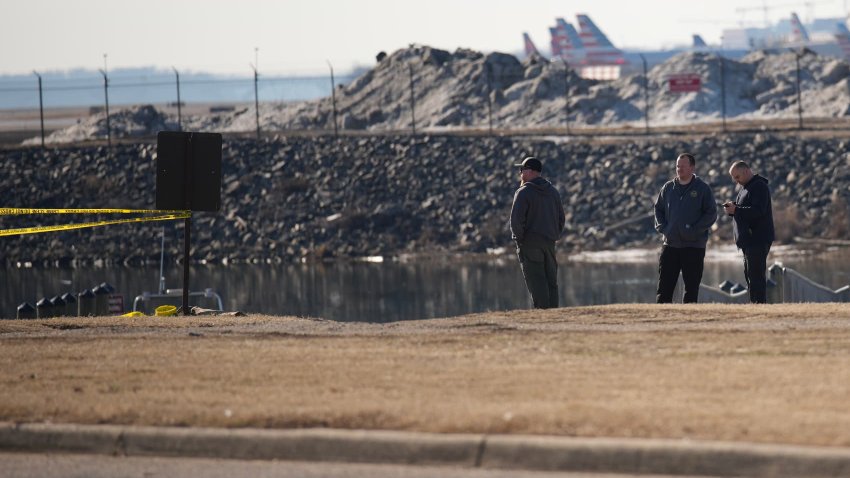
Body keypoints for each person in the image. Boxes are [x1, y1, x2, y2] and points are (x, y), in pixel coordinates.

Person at [653, 153, 717, 303]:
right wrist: (664, 228)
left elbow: (711, 214)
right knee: (664, 289)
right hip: (670, 246)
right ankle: (661, 321)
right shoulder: (668, 188)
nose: (679, 169)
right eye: (677, 166)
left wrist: (694, 231)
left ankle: (689, 320)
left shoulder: (702, 189)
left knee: (691, 289)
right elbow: (658, 209)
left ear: (692, 167)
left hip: (694, 247)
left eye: (683, 166)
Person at [510, 156, 565, 309]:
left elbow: (516, 221)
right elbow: (561, 218)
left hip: (529, 243)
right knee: (550, 280)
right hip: (549, 243)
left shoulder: (523, 192)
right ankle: (553, 313)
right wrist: (554, 235)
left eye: (522, 169)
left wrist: (520, 240)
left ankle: (543, 315)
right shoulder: (553, 191)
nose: (520, 173)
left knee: (537, 279)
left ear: (531, 171)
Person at [723, 161, 775, 303]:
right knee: (751, 277)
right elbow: (747, 210)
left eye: (737, 176)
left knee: (756, 278)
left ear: (746, 171)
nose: (736, 180)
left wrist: (736, 210)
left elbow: (759, 211)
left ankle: (759, 309)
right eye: (734, 177)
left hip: (757, 239)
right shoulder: (747, 187)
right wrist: (734, 208)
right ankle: (755, 306)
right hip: (749, 241)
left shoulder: (759, 186)